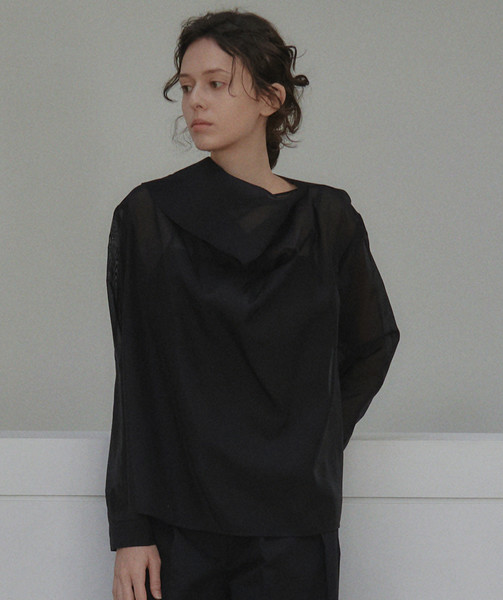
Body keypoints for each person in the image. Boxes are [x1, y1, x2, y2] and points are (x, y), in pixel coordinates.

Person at [106, 9, 399, 600]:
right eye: (187, 86)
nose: (195, 101)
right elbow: (136, 377)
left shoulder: (328, 219)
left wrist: (312, 439)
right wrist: (131, 531)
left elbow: (372, 344)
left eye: (216, 84)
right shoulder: (148, 217)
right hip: (179, 526)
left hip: (295, 525)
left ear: (271, 98)